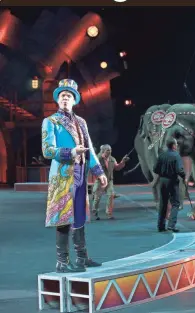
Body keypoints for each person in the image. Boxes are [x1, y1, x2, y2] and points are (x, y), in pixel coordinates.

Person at [41, 78, 108, 273]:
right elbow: (47, 150)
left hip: (80, 172)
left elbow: (90, 150)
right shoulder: (51, 121)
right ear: (57, 100)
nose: (65, 99)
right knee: (63, 217)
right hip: (63, 174)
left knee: (79, 215)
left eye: (68, 96)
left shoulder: (81, 122)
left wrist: (99, 171)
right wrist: (70, 152)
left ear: (74, 100)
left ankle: (82, 258)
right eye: (62, 96)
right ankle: (62, 262)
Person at [153, 137, 186, 232]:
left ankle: (160, 226)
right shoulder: (176, 155)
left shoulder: (162, 155)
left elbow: (155, 169)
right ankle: (171, 225)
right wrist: (184, 176)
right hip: (172, 181)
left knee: (163, 203)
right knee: (175, 203)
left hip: (162, 181)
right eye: (176, 144)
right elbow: (179, 170)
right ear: (174, 145)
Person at [92, 144, 129, 220]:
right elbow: (93, 169)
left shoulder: (112, 159)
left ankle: (109, 213)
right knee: (97, 198)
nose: (110, 151)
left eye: (110, 150)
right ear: (103, 151)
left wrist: (122, 161)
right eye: (108, 150)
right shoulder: (97, 159)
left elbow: (117, 167)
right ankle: (94, 212)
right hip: (100, 181)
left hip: (109, 181)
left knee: (110, 196)